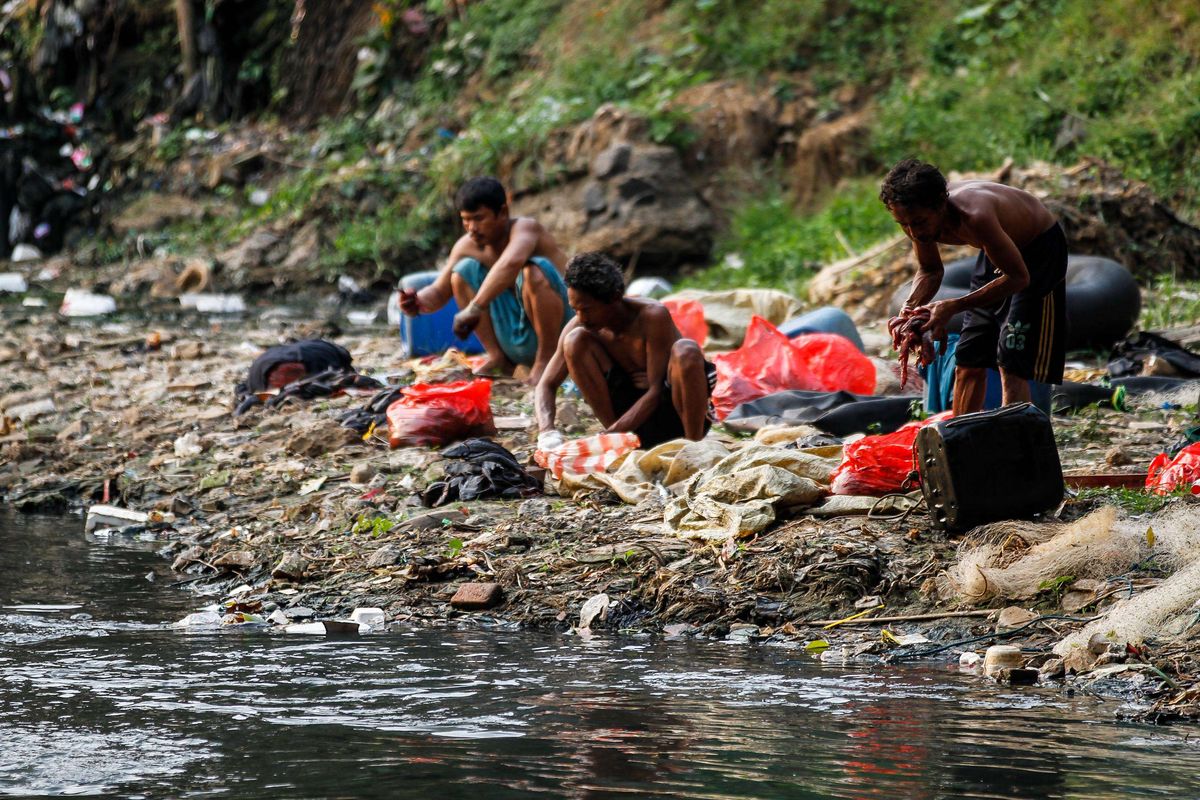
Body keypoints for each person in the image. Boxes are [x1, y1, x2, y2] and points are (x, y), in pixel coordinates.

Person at [880, 158, 1067, 415]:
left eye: (919, 222)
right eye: (903, 224)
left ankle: (1014, 444)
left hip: (1037, 251)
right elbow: (930, 270)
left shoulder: (975, 217)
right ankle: (961, 440)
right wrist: (909, 311)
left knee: (1011, 359)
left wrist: (954, 305)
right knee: (969, 356)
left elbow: (1018, 278)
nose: (913, 232)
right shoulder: (916, 218)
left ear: (940, 206)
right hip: (997, 252)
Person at [398, 176, 572, 385]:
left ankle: (546, 359)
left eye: (479, 218)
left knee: (533, 271)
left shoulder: (526, 229)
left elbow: (511, 263)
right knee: (460, 272)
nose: (471, 227)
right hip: (516, 334)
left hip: (563, 329)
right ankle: (499, 357)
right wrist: (415, 302)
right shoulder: (466, 246)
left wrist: (475, 308)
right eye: (466, 220)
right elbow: (438, 292)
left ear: (503, 213)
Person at [535, 251, 714, 449]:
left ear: (614, 298)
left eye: (587, 309)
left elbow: (655, 392)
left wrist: (608, 436)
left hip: (676, 417)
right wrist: (547, 433)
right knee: (574, 341)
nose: (581, 318)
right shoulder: (580, 327)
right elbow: (546, 385)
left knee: (686, 350)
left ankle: (694, 449)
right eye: (575, 309)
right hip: (631, 426)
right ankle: (620, 444)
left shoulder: (651, 316)